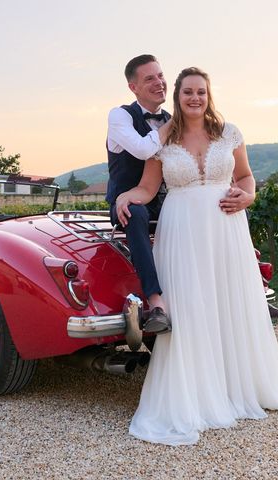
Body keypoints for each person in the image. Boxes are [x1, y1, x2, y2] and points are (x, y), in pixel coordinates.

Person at [116, 67, 278, 445]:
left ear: (209, 95)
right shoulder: (162, 140)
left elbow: (246, 178)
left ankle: (237, 387)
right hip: (181, 232)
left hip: (226, 229)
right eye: (187, 93)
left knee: (229, 303)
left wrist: (248, 195)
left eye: (201, 92)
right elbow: (148, 189)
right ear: (177, 98)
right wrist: (125, 197)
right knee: (192, 308)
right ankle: (196, 395)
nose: (194, 98)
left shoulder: (229, 133)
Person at [106, 54, 172, 334]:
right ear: (133, 87)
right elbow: (144, 150)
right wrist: (174, 124)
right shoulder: (120, 115)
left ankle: (246, 292)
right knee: (136, 212)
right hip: (127, 201)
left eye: (160, 75)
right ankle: (156, 302)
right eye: (149, 79)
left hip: (168, 199)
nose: (159, 83)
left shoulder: (171, 118)